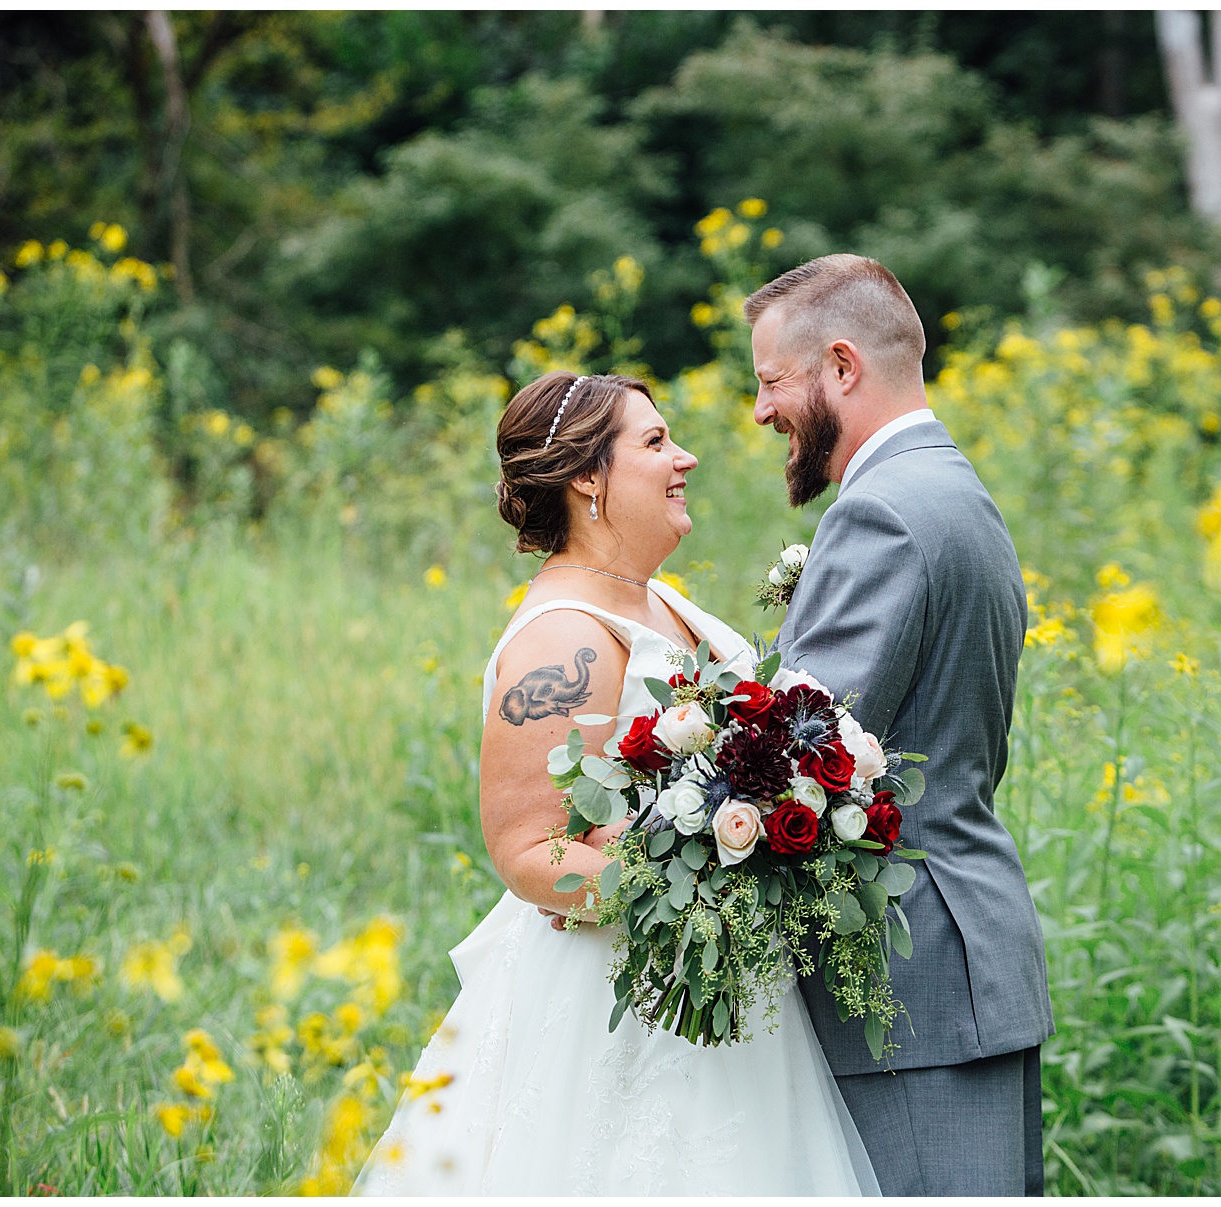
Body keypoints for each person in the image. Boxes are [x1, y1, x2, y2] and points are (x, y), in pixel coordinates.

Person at [353, 371, 878, 1195]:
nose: (686, 458)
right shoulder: (565, 641)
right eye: (656, 442)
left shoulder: (658, 600)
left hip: (725, 994)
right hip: (628, 1007)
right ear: (587, 478)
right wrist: (695, 895)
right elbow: (530, 849)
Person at [744, 254, 1054, 1196]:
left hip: (908, 981)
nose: (760, 411)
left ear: (841, 367)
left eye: (771, 381)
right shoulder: (953, 488)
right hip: (962, 964)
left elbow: (797, 755)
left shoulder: (880, 511)